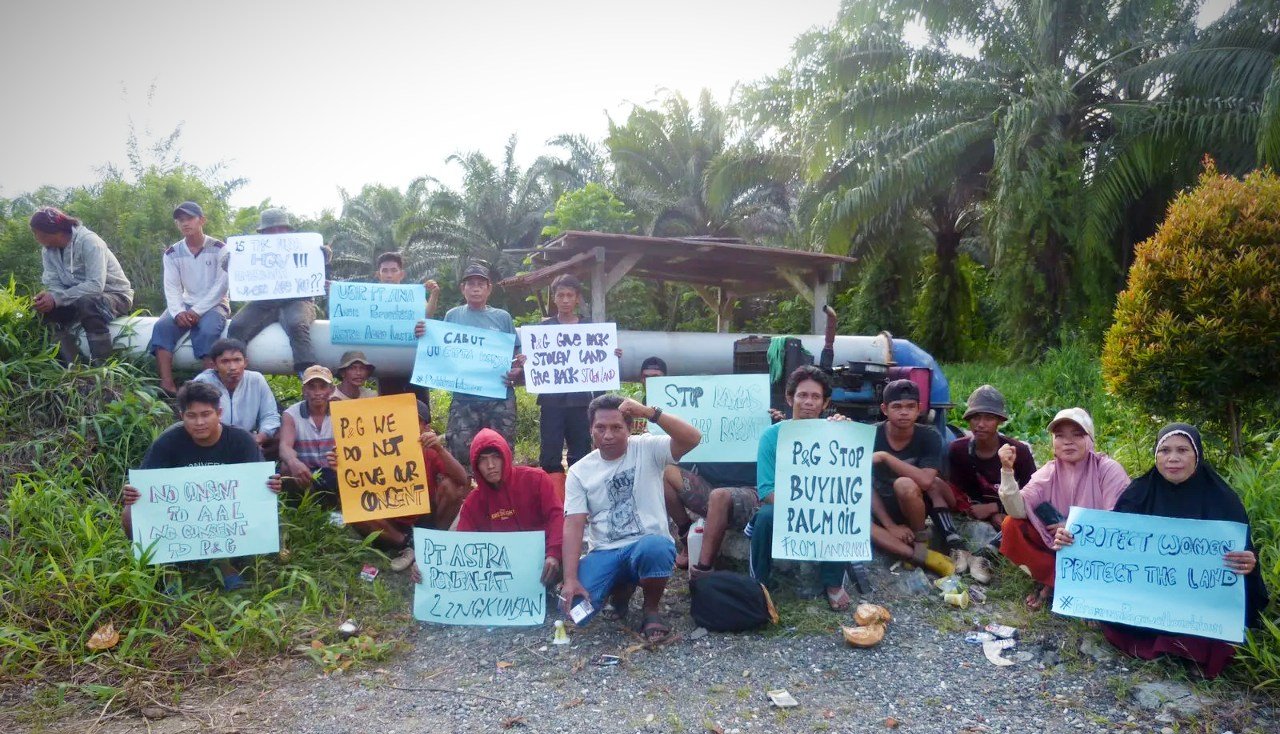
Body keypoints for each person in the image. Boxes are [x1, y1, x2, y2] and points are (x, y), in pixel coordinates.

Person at [1056, 424, 1267, 678]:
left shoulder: (1223, 500)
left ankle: (1183, 649)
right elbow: (1110, 546)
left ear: (1197, 455)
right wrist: (1073, 539)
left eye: (1182, 450)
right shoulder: (1139, 493)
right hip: (1150, 599)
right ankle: (1171, 646)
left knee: (1219, 639)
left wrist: (1248, 563)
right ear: (1156, 456)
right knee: (1117, 623)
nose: (1173, 458)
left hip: (1199, 606)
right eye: (1165, 450)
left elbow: (1244, 562)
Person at [559, 394, 702, 642]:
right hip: (605, 551)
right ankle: (621, 590)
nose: (608, 435)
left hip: (646, 543)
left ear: (630, 428)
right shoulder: (579, 471)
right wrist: (570, 579)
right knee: (575, 611)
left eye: (617, 427)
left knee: (656, 547)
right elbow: (573, 525)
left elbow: (692, 438)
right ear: (590, 429)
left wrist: (649, 412)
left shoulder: (647, 448)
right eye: (600, 428)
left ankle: (651, 609)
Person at [121, 381, 281, 591]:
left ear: (219, 413)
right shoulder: (168, 441)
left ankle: (226, 566)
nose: (199, 422)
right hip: (180, 516)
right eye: (191, 416)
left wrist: (272, 485)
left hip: (225, 515)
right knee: (129, 514)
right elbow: (146, 485)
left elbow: (258, 484)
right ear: (181, 416)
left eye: (206, 414)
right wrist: (133, 493)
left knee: (269, 511)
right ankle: (168, 568)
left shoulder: (241, 440)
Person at [750, 366, 871, 610]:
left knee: (838, 512)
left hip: (825, 505)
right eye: (802, 395)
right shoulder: (771, 437)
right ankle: (758, 587)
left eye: (815, 397)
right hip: (784, 506)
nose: (808, 402)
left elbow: (848, 486)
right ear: (789, 398)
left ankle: (834, 584)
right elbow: (766, 490)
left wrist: (847, 433)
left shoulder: (837, 433)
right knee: (765, 517)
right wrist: (804, 505)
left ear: (825, 403)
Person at [999, 407, 1129, 610]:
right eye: (1060, 436)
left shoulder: (1108, 469)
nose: (1068, 441)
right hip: (1058, 546)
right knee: (1012, 525)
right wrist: (1007, 471)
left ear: (1091, 440)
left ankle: (1071, 587)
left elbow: (1119, 520)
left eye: (1077, 435)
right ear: (1053, 443)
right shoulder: (1048, 472)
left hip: (1096, 547)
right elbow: (1017, 510)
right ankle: (1056, 581)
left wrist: (1075, 527)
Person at [328, 400, 470, 572]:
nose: (408, 425)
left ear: (425, 427)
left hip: (422, 516)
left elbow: (462, 479)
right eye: (404, 419)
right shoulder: (374, 446)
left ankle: (434, 542)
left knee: (452, 487)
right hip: (388, 518)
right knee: (353, 508)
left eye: (415, 421)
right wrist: (341, 466)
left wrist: (440, 449)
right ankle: (407, 544)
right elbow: (356, 486)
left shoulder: (429, 449)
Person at [415, 262, 523, 469]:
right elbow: (440, 348)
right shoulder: (452, 315)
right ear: (462, 289)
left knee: (501, 452)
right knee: (460, 453)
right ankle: (466, 499)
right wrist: (423, 333)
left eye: (481, 284)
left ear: (489, 289)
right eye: (470, 283)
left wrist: (518, 369)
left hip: (499, 398)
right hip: (464, 398)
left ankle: (503, 500)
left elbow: (515, 354)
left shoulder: (502, 317)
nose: (475, 288)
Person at [535, 274, 623, 485]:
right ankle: (554, 499)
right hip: (551, 402)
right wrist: (527, 360)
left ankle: (581, 496)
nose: (565, 300)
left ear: (577, 299)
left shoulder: (591, 329)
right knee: (549, 454)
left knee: (581, 453)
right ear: (554, 299)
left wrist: (611, 355)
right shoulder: (543, 330)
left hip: (582, 402)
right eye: (560, 295)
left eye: (569, 295)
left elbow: (600, 359)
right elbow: (535, 360)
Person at [452, 428, 564, 587]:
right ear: (475, 466)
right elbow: (461, 546)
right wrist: (426, 567)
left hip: (543, 561)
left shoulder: (537, 479)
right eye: (483, 460)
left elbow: (557, 516)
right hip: (500, 574)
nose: (490, 465)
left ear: (506, 456)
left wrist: (554, 554)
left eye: (495, 457)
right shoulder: (472, 503)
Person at [867, 379, 956, 578]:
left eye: (910, 407)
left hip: (912, 505)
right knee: (860, 525)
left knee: (904, 484)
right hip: (879, 507)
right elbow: (862, 484)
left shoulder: (929, 435)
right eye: (897, 406)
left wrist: (886, 457)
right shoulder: (870, 434)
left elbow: (925, 481)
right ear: (884, 409)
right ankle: (920, 556)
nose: (904, 412)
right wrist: (889, 525)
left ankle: (920, 538)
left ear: (919, 409)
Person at [946, 384, 1037, 581]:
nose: (981, 424)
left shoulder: (1018, 451)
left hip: (1010, 510)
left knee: (1024, 522)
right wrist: (974, 508)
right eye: (976, 417)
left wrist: (996, 508)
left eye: (989, 418)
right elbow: (953, 489)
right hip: (970, 511)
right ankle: (957, 547)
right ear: (968, 419)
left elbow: (1034, 493)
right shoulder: (958, 450)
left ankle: (987, 555)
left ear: (999, 421)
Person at [29, 207, 134, 364]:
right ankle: (73, 367)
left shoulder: (90, 242)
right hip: (75, 299)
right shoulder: (48, 251)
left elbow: (95, 285)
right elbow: (53, 282)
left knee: (88, 302)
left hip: (116, 296)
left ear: (46, 232)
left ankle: (104, 366)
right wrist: (49, 298)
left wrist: (58, 298)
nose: (35, 237)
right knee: (45, 310)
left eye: (35, 232)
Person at [147, 202, 230, 395]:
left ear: (202, 220)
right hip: (186, 302)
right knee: (161, 327)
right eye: (180, 220)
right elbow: (172, 287)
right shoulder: (172, 253)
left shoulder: (220, 249)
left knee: (209, 330)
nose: (185, 223)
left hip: (215, 303)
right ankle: (167, 385)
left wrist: (197, 311)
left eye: (190, 219)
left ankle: (208, 387)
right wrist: (178, 312)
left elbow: (221, 286)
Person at [226, 208, 320, 376]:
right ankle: (237, 375)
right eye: (271, 229)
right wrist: (231, 265)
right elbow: (241, 274)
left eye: (280, 228)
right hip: (264, 301)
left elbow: (319, 272)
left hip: (298, 300)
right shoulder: (251, 251)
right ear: (263, 233)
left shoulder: (306, 246)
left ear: (288, 230)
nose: (276, 232)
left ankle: (309, 376)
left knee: (297, 324)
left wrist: (323, 257)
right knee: (237, 326)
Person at [665, 461, 760, 579]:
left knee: (718, 496)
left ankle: (702, 571)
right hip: (710, 485)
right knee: (667, 472)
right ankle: (688, 539)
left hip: (750, 488)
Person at [191, 338, 281, 453]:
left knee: (281, 436)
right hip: (212, 440)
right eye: (225, 361)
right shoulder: (203, 382)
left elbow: (270, 415)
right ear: (214, 365)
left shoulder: (256, 380)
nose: (233, 367)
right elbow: (195, 418)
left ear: (245, 362)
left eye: (237, 360)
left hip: (249, 439)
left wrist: (259, 438)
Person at [373, 251, 438, 405]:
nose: (389, 275)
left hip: (413, 365)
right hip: (385, 367)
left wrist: (434, 294)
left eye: (394, 270)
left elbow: (427, 318)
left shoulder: (413, 296)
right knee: (389, 412)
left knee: (420, 413)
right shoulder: (370, 297)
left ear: (401, 274)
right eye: (385, 271)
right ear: (378, 274)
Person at [277, 365, 340, 505]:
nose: (317, 392)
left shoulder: (342, 410)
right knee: (286, 467)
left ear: (331, 390)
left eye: (322, 387)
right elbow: (284, 446)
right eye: (312, 387)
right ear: (304, 390)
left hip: (334, 469)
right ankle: (303, 506)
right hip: (305, 471)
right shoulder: (291, 414)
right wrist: (294, 462)